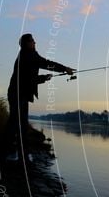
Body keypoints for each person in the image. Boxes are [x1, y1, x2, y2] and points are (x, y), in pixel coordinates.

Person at [5, 33, 74, 161]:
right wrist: (64, 69)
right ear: (26, 43)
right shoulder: (28, 55)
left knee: (20, 124)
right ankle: (10, 153)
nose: (35, 43)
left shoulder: (27, 55)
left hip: (20, 94)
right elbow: (45, 64)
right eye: (32, 41)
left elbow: (30, 77)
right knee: (15, 124)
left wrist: (45, 77)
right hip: (17, 94)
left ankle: (21, 154)